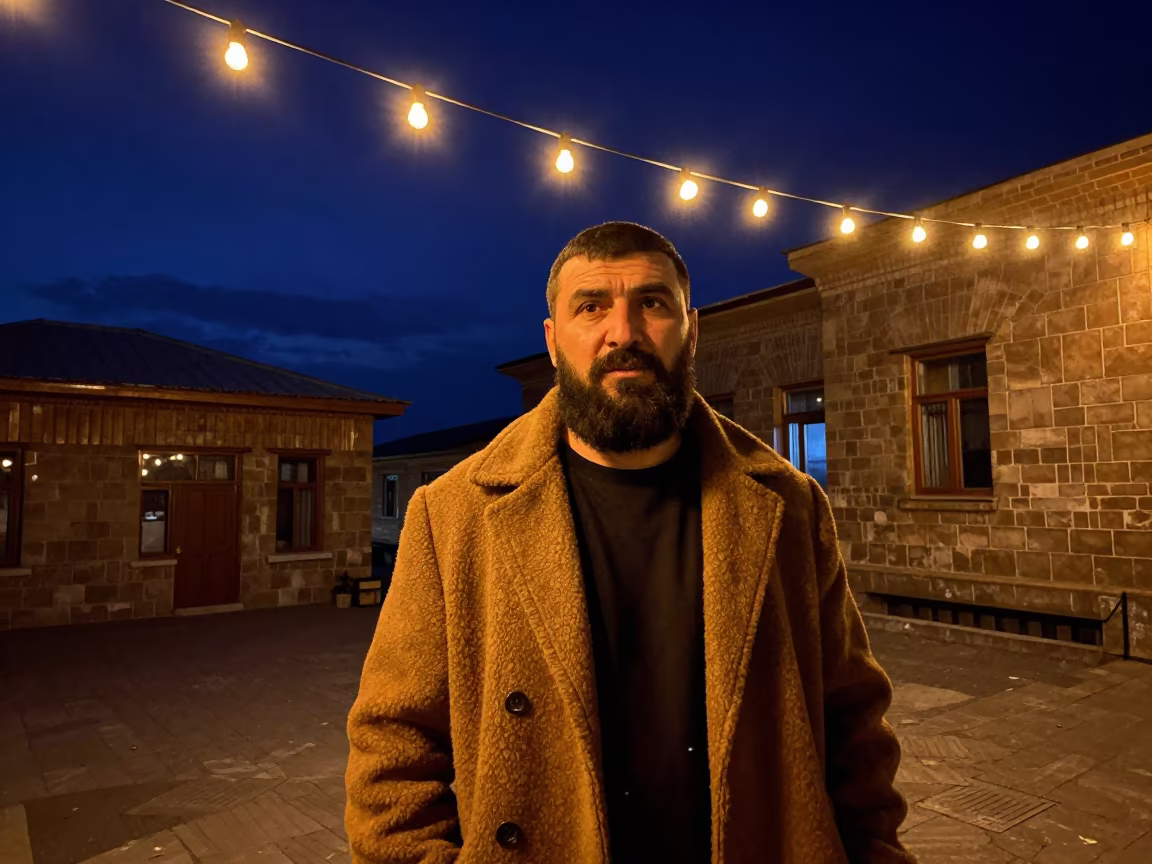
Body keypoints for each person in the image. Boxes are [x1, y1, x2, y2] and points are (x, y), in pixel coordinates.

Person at [346, 222, 916, 863]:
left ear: (690, 329)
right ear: (552, 341)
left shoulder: (787, 506)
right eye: (591, 307)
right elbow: (392, 745)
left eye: (652, 302)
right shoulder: (453, 515)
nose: (623, 333)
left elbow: (854, 725)